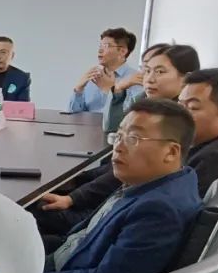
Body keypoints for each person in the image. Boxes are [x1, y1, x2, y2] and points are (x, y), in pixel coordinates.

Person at [41, 98, 201, 273]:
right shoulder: (152, 181)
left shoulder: (159, 210)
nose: (118, 147)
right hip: (68, 256)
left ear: (171, 152)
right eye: (118, 136)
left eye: (133, 138)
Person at [36, 45, 201, 237]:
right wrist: (117, 90)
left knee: (32, 213)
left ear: (186, 79)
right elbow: (113, 131)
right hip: (105, 205)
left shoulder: (173, 123)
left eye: (159, 72)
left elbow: (121, 171)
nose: (149, 78)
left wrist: (73, 198)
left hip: (106, 207)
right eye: (146, 70)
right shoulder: (146, 101)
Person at [67, 27, 144, 131]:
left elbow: (131, 117)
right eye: (100, 46)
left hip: (116, 135)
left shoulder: (135, 79)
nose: (100, 50)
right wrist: (78, 90)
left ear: (122, 51)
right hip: (86, 133)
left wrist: (110, 90)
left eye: (106, 46)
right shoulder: (93, 76)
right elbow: (73, 116)